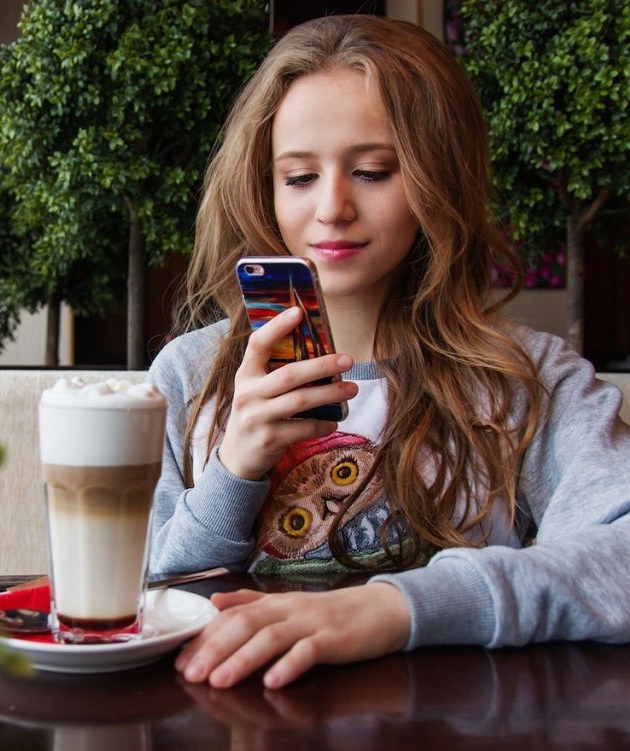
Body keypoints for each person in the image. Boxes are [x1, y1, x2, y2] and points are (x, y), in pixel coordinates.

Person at [146, 14, 630, 690]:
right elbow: (130, 599)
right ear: (264, 186)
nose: (334, 207)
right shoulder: (189, 376)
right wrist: (233, 472)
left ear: (441, 178)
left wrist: (397, 606)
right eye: (300, 177)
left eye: (373, 171)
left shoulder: (529, 381)